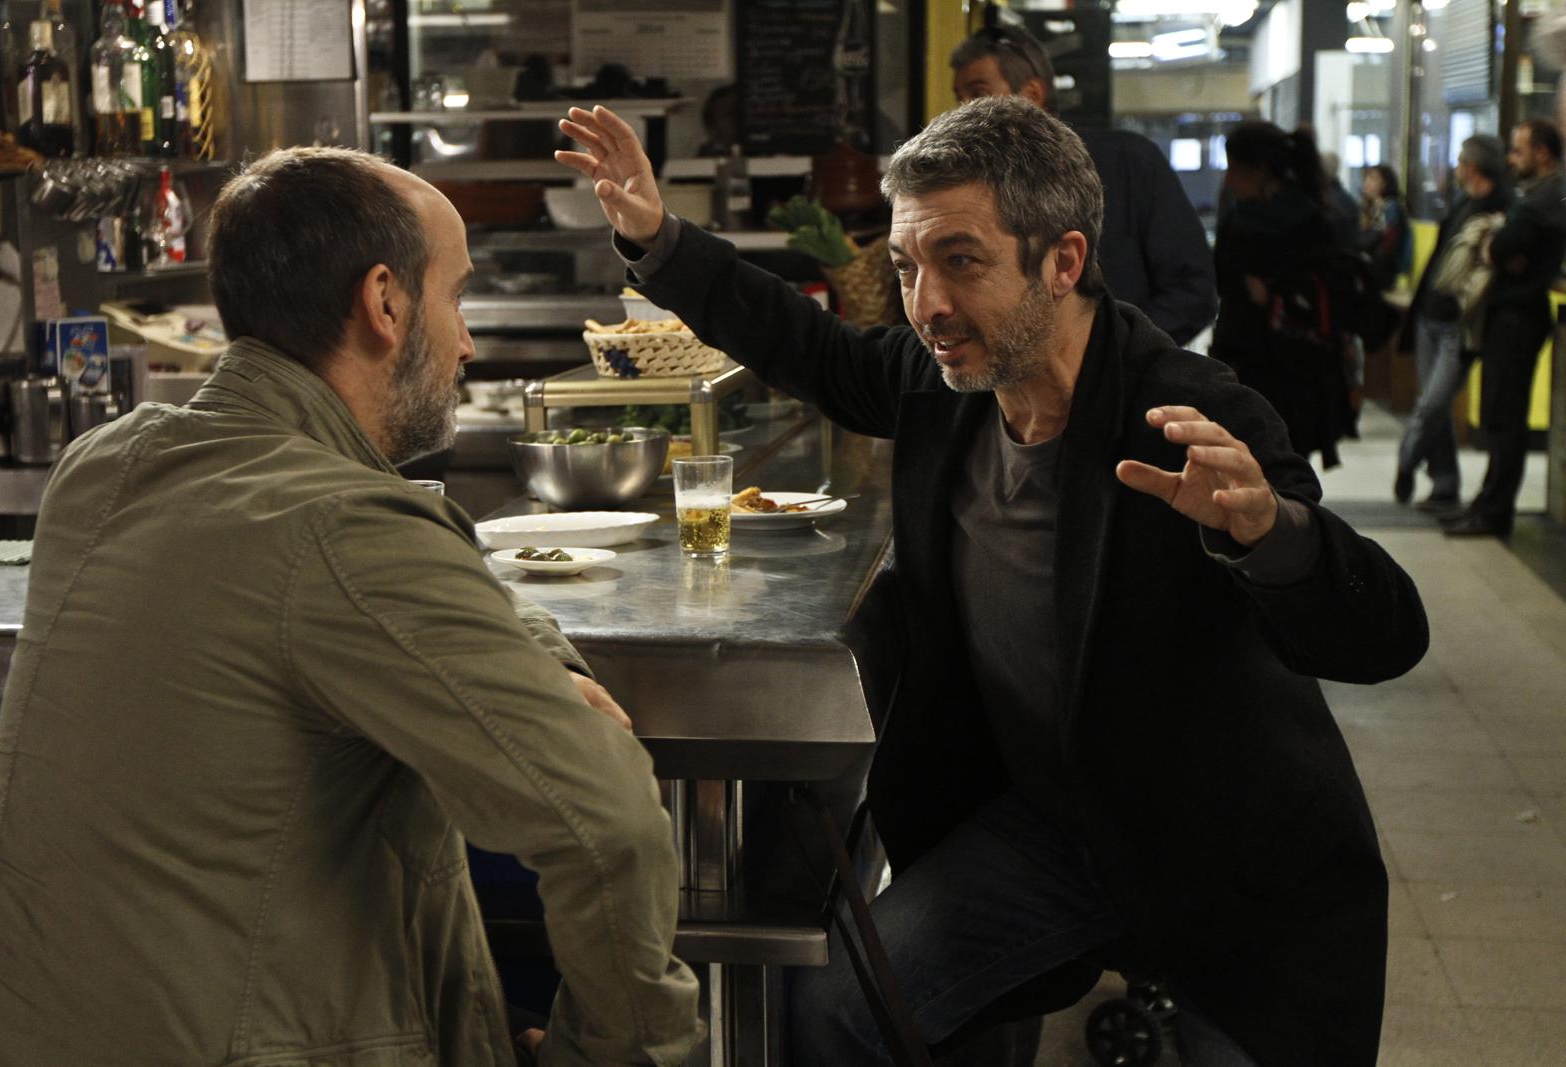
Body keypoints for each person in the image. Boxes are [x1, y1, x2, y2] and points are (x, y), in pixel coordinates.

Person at [557, 98, 1429, 1067]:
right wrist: (659, 239)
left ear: (1063, 261)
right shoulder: (944, 386)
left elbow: (1384, 633)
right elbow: (816, 350)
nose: (926, 303)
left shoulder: (1187, 412)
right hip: (1054, 830)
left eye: (960, 261)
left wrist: (1272, 534)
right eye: (906, 267)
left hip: (1226, 855)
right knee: (839, 1008)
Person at [0, 147, 700, 1067]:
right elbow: (609, 825)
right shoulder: (342, 525)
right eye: (457, 298)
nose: (467, 343)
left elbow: (391, 558)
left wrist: (531, 658)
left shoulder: (104, 464)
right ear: (384, 302)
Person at [950, 25, 1217, 347]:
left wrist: (1113, 352)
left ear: (1031, 94)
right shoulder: (970, 187)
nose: (962, 112)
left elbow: (1192, 291)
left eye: (977, 94)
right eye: (959, 99)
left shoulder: (1128, 162)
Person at [1445, 118, 1566, 538]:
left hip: (1517, 319)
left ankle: (1495, 512)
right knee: (1498, 415)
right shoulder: (1536, 195)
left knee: (1505, 418)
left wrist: (1494, 245)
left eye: (1519, 150)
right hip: (1511, 317)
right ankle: (1486, 503)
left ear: (1542, 153)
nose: (1511, 159)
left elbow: (1497, 248)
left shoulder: (1544, 199)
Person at [1211, 121, 1357, 469]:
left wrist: (1268, 291)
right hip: (1288, 363)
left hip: (1273, 361)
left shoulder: (1266, 221)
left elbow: (1222, 278)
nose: (1229, 179)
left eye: (1234, 168)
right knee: (1284, 461)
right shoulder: (1309, 214)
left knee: (1264, 458)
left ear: (1260, 170)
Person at [1393, 136, 1510, 511]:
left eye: (1460, 162)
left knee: (1432, 404)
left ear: (1472, 167)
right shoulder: (1462, 202)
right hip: (1429, 316)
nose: (1456, 169)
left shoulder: (1503, 207)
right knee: (1436, 409)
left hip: (1460, 324)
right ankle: (1445, 485)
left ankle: (1406, 459)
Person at [1359, 164, 1411, 292]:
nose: (1367, 183)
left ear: (1385, 184)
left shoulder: (1390, 207)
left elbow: (1388, 246)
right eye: (1366, 178)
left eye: (1373, 179)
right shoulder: (1371, 207)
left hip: (1384, 273)